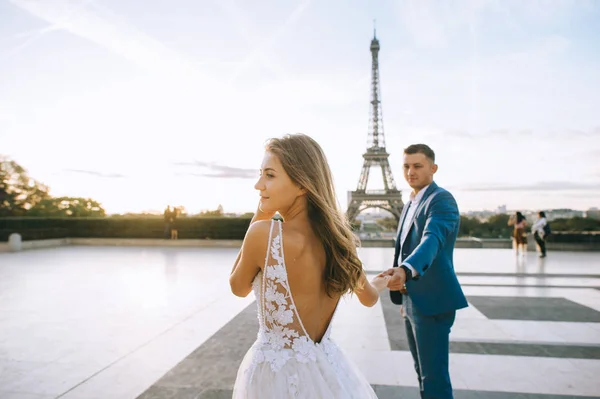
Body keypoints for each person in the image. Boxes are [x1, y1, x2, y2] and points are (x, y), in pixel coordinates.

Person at [229, 134, 390, 399]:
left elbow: (237, 287)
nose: (259, 185)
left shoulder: (263, 233)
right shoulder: (340, 242)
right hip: (328, 373)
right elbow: (369, 298)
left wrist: (262, 213)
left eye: (269, 175)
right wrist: (382, 282)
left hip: (273, 377)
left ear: (302, 185)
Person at [380, 144, 468, 399]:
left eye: (417, 166)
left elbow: (432, 239)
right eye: (406, 166)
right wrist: (406, 293)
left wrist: (406, 271)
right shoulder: (410, 204)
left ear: (433, 168)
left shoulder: (441, 199)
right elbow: (405, 247)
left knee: (434, 377)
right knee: (422, 373)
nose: (410, 171)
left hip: (432, 300)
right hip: (414, 298)